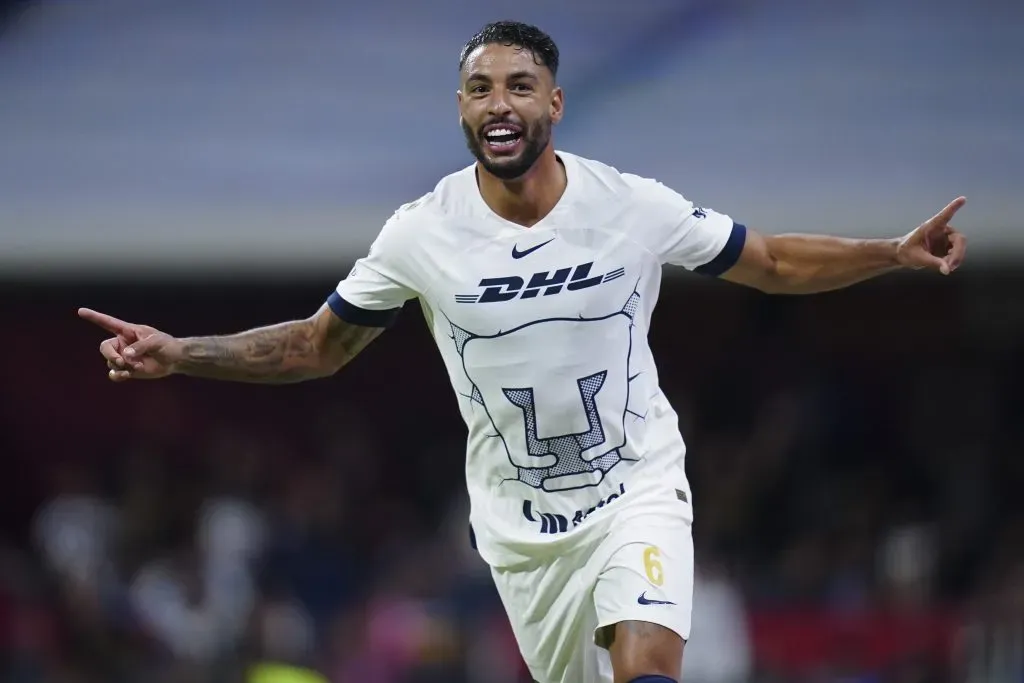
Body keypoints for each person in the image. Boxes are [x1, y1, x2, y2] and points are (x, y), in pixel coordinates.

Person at [79, 20, 967, 683]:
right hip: (523, 534)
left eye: (518, 84)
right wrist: (180, 351)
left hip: (636, 490)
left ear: (554, 102)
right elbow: (317, 346)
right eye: (479, 88)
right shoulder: (421, 234)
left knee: (649, 662)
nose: (498, 103)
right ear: (461, 110)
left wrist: (890, 251)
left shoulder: (629, 205)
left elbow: (768, 260)